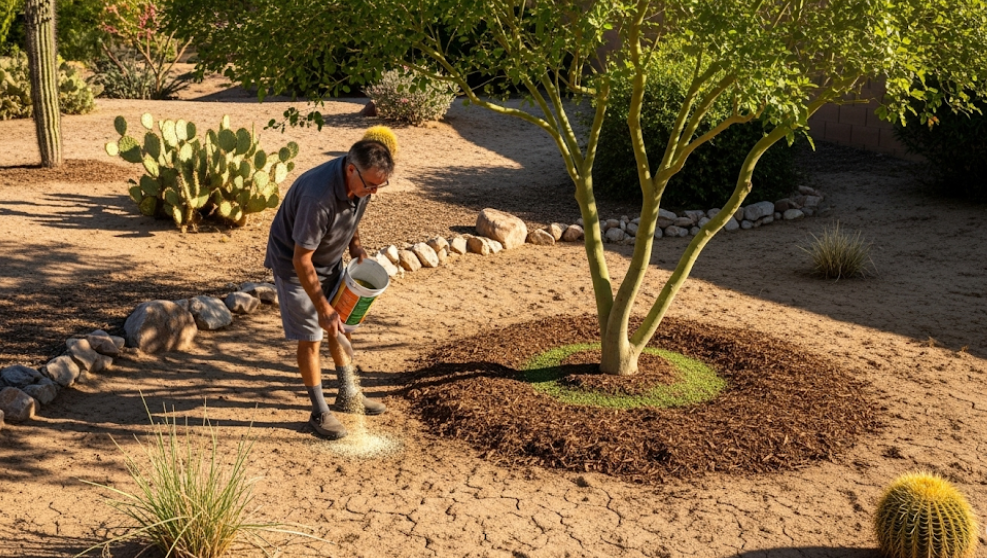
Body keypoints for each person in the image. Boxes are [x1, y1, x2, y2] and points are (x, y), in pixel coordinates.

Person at [264, 140, 394, 439]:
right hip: (295, 267)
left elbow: (354, 212)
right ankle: (319, 411)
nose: (374, 192)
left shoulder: (362, 180)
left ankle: (348, 394)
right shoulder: (317, 197)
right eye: (372, 185)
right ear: (351, 170)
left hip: (329, 261)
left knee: (342, 325)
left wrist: (356, 246)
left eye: (381, 185)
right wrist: (323, 308)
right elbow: (301, 258)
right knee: (312, 336)